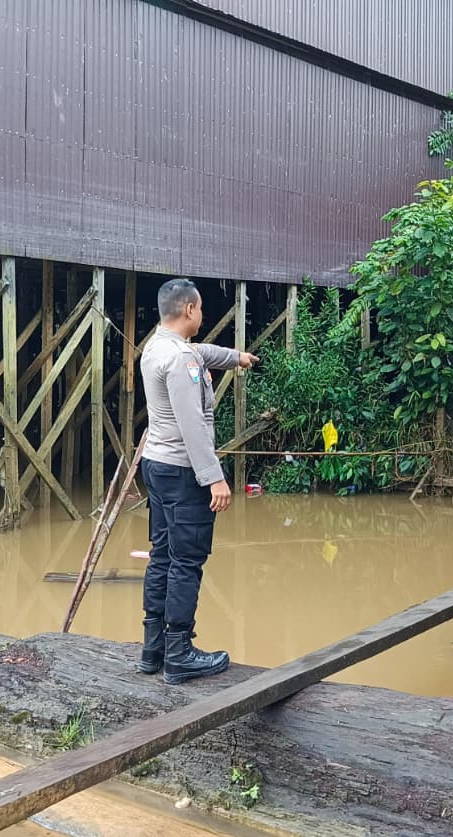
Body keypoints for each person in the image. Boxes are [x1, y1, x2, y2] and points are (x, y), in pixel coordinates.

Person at [136, 278, 258, 684]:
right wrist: (214, 479)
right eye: (201, 308)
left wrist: (236, 357)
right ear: (189, 309)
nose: (202, 315)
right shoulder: (181, 360)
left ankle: (153, 650)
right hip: (184, 472)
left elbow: (202, 352)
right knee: (186, 562)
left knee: (163, 556)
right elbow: (193, 425)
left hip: (156, 466)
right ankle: (179, 655)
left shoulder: (157, 347)